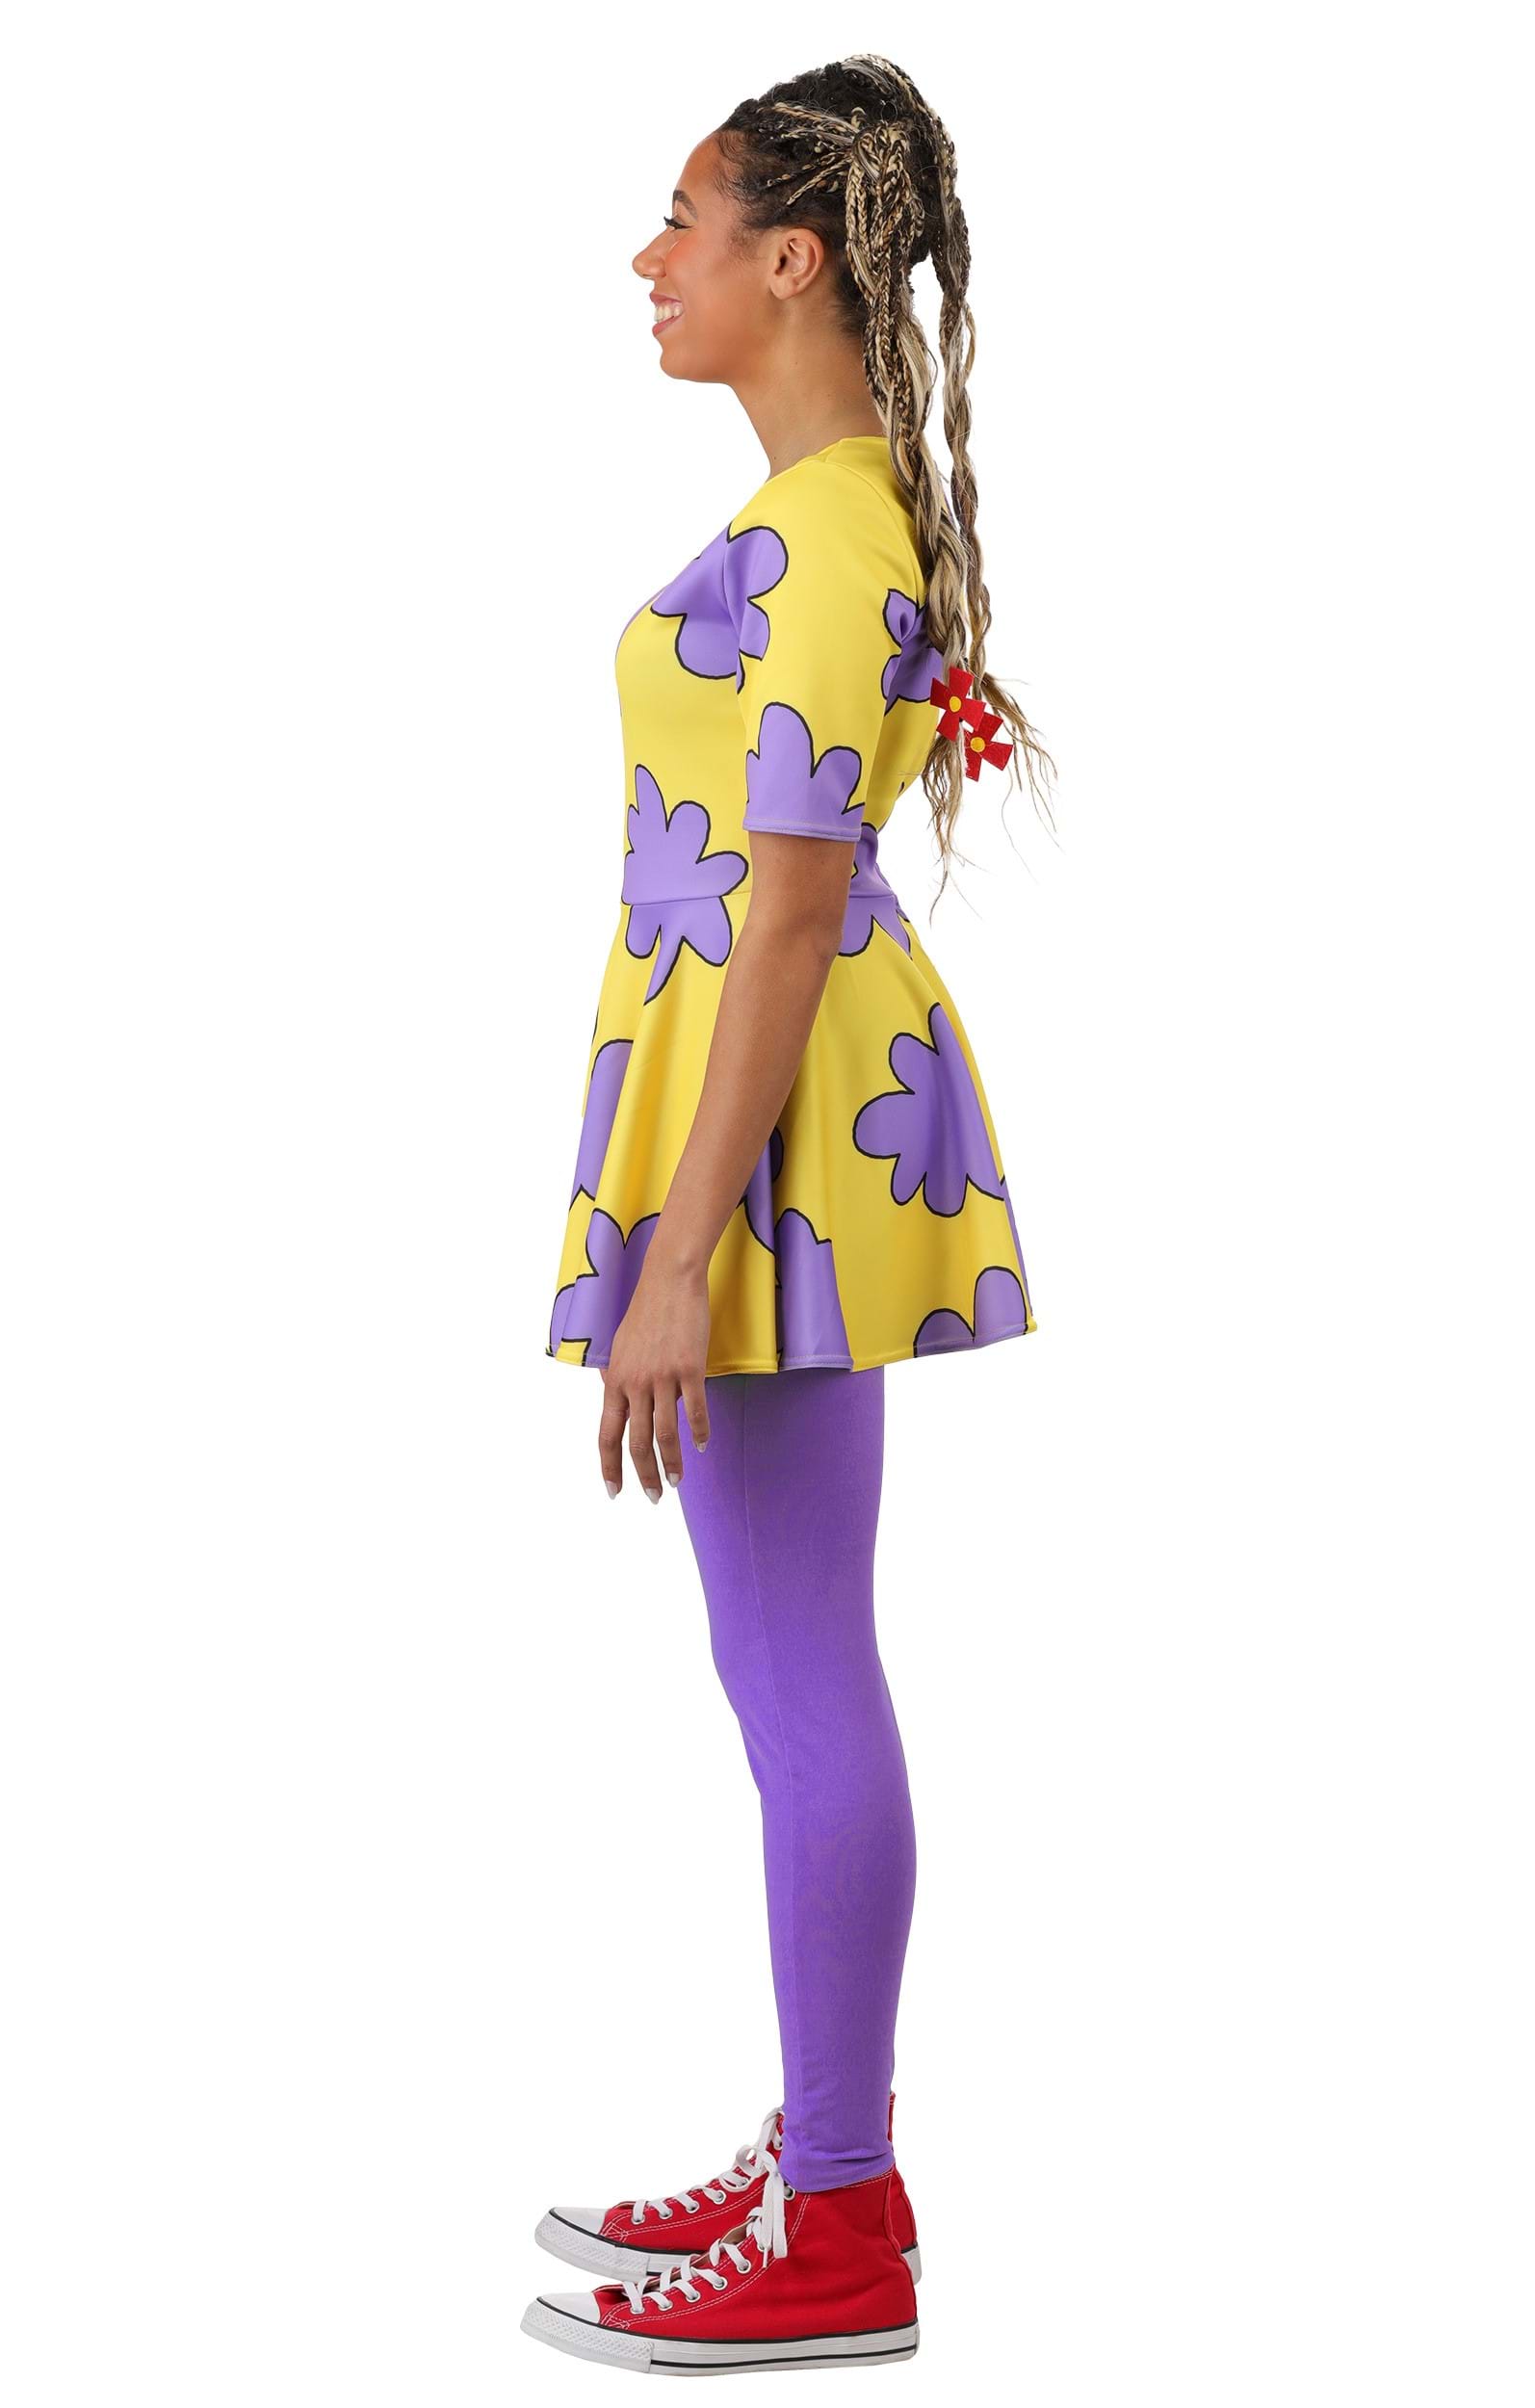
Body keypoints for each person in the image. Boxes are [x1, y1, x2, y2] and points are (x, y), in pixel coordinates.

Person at [526, 53, 1054, 2376]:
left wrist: (678, 1245)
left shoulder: (834, 538)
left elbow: (793, 905)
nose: (645, 260)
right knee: (773, 1655)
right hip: (762, 1102)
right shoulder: (819, 520)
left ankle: (838, 2216)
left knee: (803, 1656)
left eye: (680, 219)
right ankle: (828, 2150)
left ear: (789, 259)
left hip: (781, 1126)